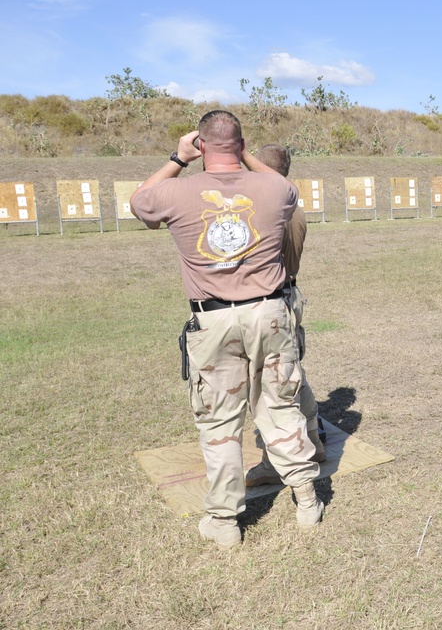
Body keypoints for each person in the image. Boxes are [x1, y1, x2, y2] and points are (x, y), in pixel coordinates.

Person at [130, 111, 323, 548]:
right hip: (270, 313)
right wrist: (243, 152)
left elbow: (140, 202)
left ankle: (224, 521)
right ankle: (307, 499)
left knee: (219, 421)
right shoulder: (274, 189)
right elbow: (282, 184)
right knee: (279, 403)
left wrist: (177, 158)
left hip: (214, 318)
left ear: (201, 144)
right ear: (239, 144)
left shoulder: (177, 190)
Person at [240, 144, 327, 486]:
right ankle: (314, 441)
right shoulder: (294, 207)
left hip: (268, 305)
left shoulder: (266, 208)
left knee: (268, 390)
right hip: (289, 297)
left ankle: (272, 462)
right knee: (293, 376)